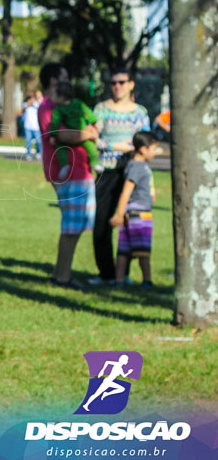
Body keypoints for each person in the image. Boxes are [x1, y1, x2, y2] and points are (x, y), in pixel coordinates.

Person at [38, 63, 98, 290]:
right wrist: (87, 135)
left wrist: (86, 134)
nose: (68, 81)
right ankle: (61, 276)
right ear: (54, 81)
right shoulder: (48, 107)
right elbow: (60, 134)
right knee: (71, 226)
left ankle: (62, 273)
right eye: (64, 77)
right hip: (68, 172)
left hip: (80, 170)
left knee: (77, 225)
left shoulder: (67, 105)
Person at [90, 68, 150, 285]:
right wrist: (113, 146)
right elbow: (92, 138)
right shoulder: (101, 110)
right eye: (113, 82)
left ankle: (123, 274)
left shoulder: (139, 112)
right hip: (106, 172)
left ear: (131, 84)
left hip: (131, 172)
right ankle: (106, 272)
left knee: (130, 225)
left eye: (122, 82)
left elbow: (147, 143)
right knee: (102, 222)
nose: (117, 86)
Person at [110, 132, 159, 288]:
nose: (155, 153)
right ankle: (147, 281)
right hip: (139, 214)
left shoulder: (134, 162)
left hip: (131, 212)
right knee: (143, 250)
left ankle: (119, 280)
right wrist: (118, 214)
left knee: (124, 248)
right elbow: (126, 191)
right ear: (143, 150)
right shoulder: (138, 167)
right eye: (153, 149)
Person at [50, 81, 99, 180]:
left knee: (60, 148)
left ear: (61, 96)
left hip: (75, 134)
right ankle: (95, 163)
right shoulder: (78, 103)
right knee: (91, 147)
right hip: (81, 133)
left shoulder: (58, 109)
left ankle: (65, 165)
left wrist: (53, 135)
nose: (52, 97)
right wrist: (94, 124)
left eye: (54, 94)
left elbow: (55, 123)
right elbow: (88, 113)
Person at [22, 93, 42, 159]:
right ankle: (28, 154)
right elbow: (23, 109)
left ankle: (38, 153)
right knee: (28, 141)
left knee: (39, 141)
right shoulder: (25, 104)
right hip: (28, 126)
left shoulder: (36, 104)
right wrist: (29, 103)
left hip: (36, 126)